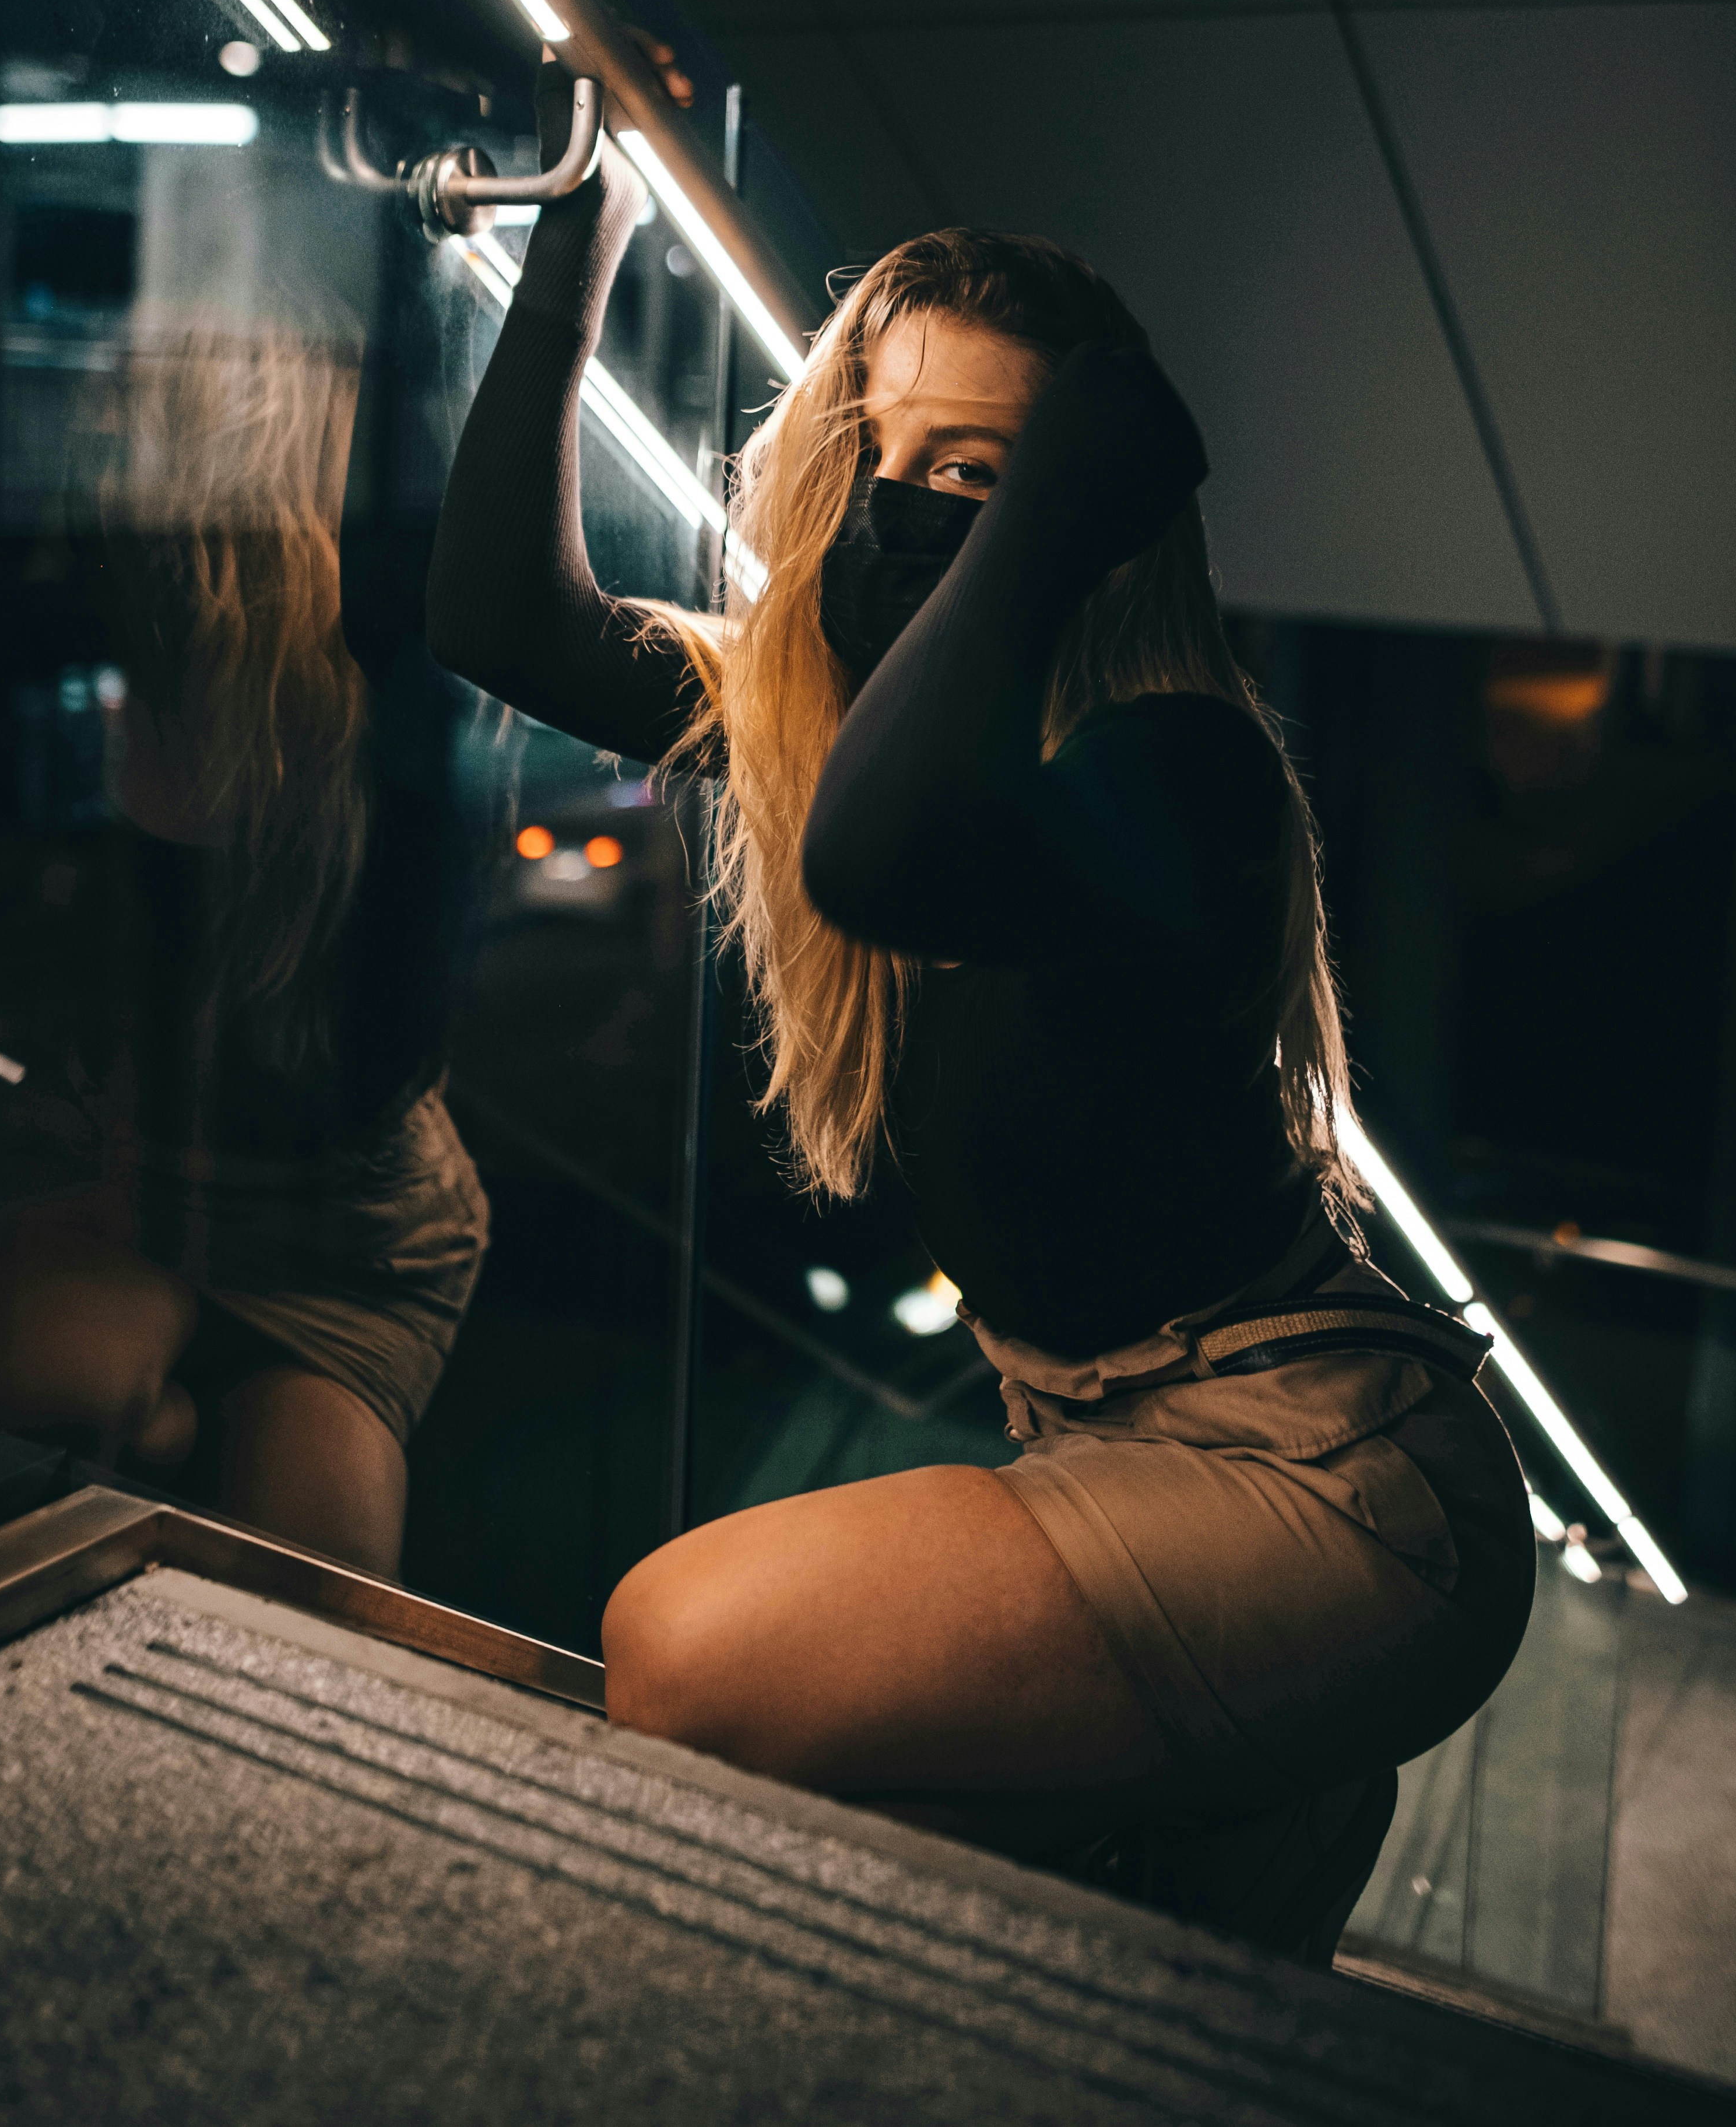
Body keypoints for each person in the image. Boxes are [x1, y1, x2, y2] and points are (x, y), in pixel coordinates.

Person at [425, 110, 1534, 1953]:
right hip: (1113, 1453)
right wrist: (586, 225)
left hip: (1336, 1490)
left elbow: (889, 850)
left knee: (676, 1649)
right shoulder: (831, 731)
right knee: (849, 1851)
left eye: (984, 472)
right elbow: (494, 611)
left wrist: (1057, 518)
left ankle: (1233, 1793)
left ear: (1081, 520)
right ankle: (1229, 1824)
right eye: (883, 449)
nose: (903, 509)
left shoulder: (1184, 771)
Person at [0, 315, 494, 1578]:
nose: (88, 450)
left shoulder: (382, 707)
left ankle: (164, 1401)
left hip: (350, 1239)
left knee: (312, 1623)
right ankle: (154, 1399)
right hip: (126, 1190)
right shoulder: (89, 635)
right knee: (70, 1410)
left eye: (128, 423)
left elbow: (371, 1066)